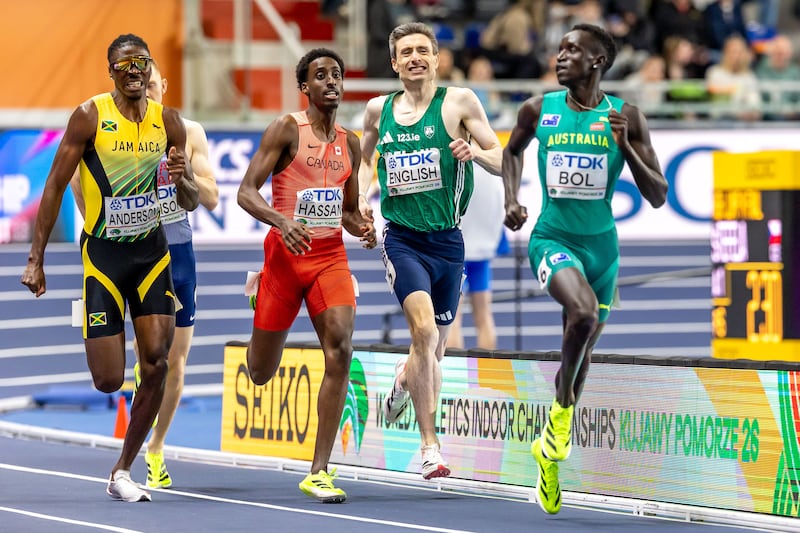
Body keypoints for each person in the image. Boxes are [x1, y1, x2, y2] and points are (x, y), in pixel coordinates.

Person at [21, 33, 199, 502]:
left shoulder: (170, 122)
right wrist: (36, 259)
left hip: (152, 253)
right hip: (102, 257)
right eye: (125, 64)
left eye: (142, 62)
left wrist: (183, 179)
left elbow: (192, 200)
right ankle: (99, 327)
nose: (135, 70)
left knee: (157, 362)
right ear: (112, 72)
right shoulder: (90, 116)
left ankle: (123, 468)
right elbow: (55, 185)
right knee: (108, 380)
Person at [502, 24, 667, 515]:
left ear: (597, 61)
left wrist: (629, 148)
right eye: (559, 48)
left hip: (603, 251)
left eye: (573, 50)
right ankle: (560, 422)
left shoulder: (625, 117)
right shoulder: (538, 110)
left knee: (583, 347)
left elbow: (658, 196)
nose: (560, 56)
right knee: (584, 313)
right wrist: (512, 198)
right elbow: (512, 151)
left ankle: (550, 448)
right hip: (552, 237)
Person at [358, 22, 503, 480]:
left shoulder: (458, 103)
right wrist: (362, 200)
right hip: (402, 239)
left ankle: (405, 378)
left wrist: (474, 154)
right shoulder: (377, 109)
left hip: (448, 242)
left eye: (424, 50)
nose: (415, 57)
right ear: (395, 63)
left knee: (433, 350)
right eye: (406, 52)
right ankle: (430, 447)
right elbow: (366, 161)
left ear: (437, 59)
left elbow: (503, 157)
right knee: (423, 332)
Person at [68, 60, 218, 490]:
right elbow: (80, 185)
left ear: (164, 85)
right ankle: (134, 447)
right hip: (122, 251)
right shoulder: (105, 126)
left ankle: (154, 448)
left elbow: (210, 196)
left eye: (153, 84)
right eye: (139, 84)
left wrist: (182, 173)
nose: (146, 92)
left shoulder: (185, 130)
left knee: (172, 363)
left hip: (176, 249)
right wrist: (106, 235)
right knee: (131, 363)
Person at [236, 48, 376, 503]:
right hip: (283, 258)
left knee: (340, 347)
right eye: (321, 75)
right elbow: (245, 192)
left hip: (329, 256)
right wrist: (282, 222)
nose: (331, 81)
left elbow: (349, 212)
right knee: (259, 372)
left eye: (337, 74)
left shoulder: (350, 143)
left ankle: (319, 470)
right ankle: (262, 295)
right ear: (306, 87)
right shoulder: (285, 129)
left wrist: (364, 227)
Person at [446, 166, 505, 351]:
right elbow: (500, 206)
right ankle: (488, 371)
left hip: (455, 249)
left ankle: (454, 373)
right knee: (484, 315)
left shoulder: (455, 164)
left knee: (452, 319)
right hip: (483, 249)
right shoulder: (492, 166)